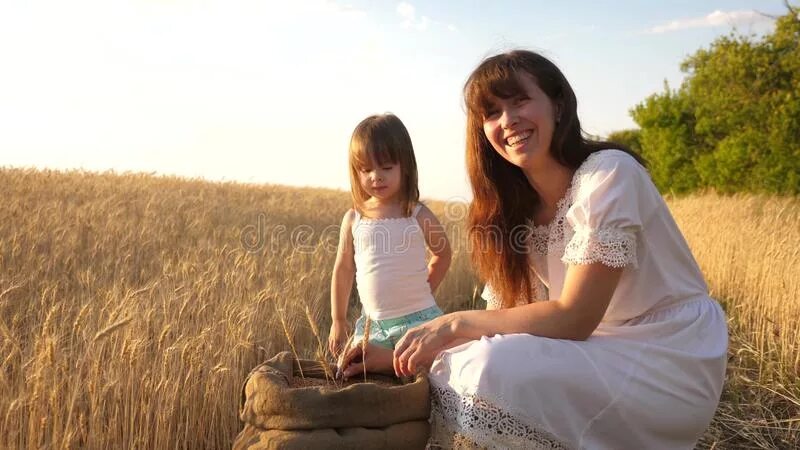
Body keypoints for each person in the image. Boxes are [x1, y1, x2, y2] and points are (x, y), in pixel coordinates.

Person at [340, 51, 728, 449]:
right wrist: (393, 357)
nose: (507, 120)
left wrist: (453, 322)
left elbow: (575, 318)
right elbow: (505, 324)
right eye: (492, 112)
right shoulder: (513, 212)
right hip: (594, 350)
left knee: (491, 367)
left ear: (558, 105)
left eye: (519, 100)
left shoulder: (609, 173)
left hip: (667, 357)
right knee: (478, 361)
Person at [327, 113, 452, 365]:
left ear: (404, 167)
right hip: (373, 326)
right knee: (351, 369)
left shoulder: (417, 213)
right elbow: (343, 269)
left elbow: (443, 253)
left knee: (433, 370)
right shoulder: (354, 218)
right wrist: (338, 320)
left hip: (419, 318)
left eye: (386, 167)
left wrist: (426, 288)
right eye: (366, 169)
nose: (376, 176)